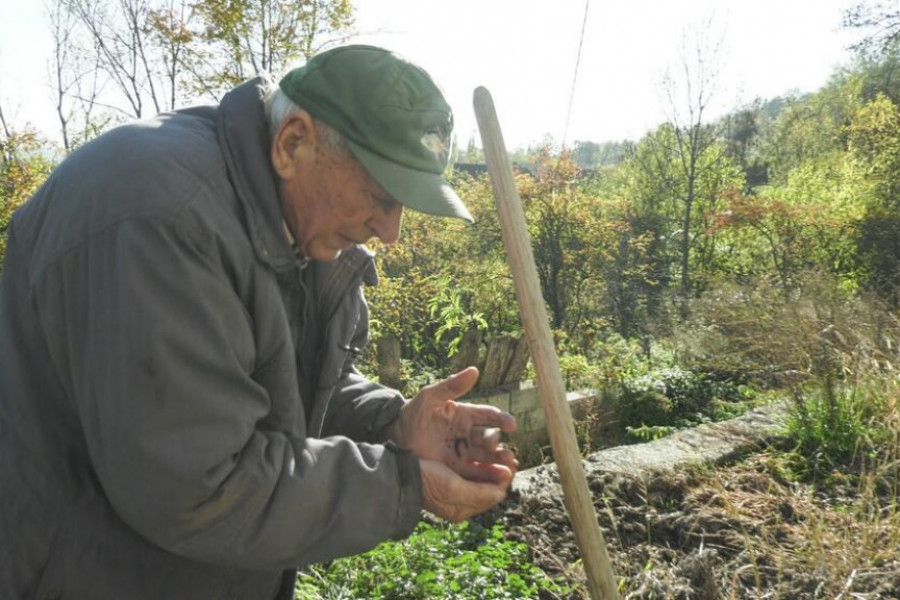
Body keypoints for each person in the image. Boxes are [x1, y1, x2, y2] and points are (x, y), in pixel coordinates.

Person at [0, 45, 518, 600]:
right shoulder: (160, 219)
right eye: (379, 195)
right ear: (292, 142)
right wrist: (402, 484)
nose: (390, 231)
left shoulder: (305, 229)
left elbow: (285, 390)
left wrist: (392, 425)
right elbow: (200, 486)